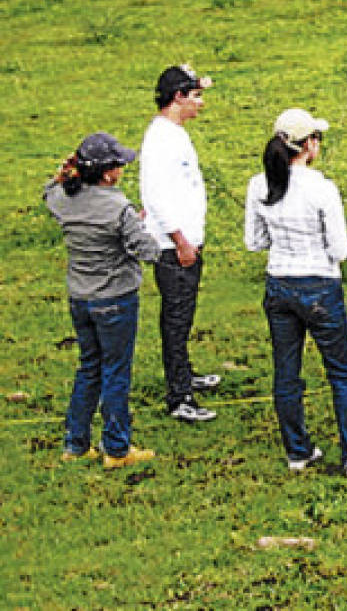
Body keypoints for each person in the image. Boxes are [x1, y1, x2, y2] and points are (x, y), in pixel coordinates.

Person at [244, 109, 347, 478]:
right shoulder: (321, 188)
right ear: (309, 145)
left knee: (287, 372)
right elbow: (341, 249)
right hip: (319, 285)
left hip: (279, 283)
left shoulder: (259, 184)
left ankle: (297, 452)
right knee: (341, 373)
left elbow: (254, 241)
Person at [45, 133, 160, 469]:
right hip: (115, 299)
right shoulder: (117, 207)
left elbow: (49, 189)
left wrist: (66, 170)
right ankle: (117, 448)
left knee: (89, 368)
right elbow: (147, 250)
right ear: (108, 173)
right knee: (116, 372)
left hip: (80, 296)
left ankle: (76, 444)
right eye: (118, 165)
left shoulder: (62, 199)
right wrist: (139, 229)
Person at [141, 64, 220, 422]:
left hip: (185, 240)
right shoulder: (160, 139)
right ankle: (179, 397)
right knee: (175, 318)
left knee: (184, 315)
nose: (200, 104)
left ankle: (184, 374)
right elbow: (155, 195)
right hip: (175, 246)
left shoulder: (174, 133)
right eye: (195, 96)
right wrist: (179, 239)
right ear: (178, 97)